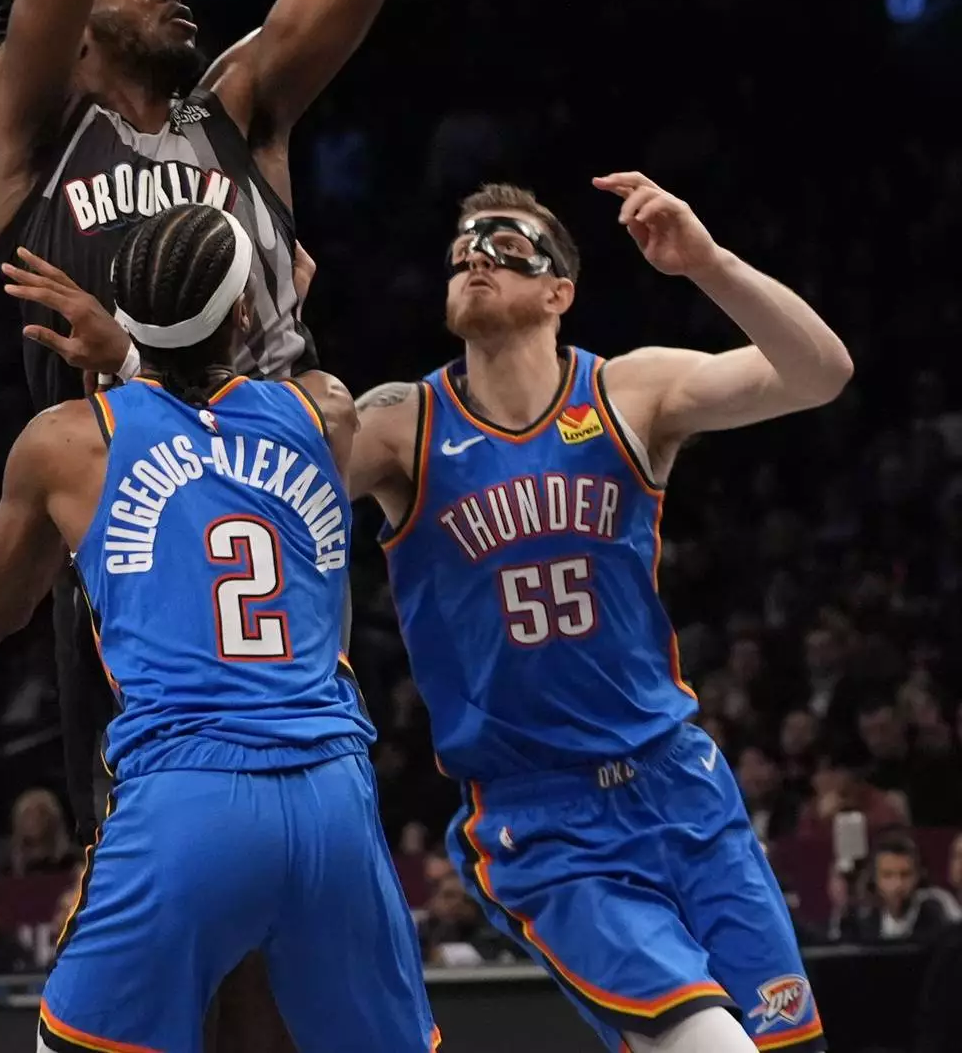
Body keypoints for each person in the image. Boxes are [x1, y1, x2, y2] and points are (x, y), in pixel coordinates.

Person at [0, 0, 414, 1046]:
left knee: (290, 943)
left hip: (282, 522)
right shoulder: (33, 130)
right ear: (66, 29)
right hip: (134, 555)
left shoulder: (244, 111)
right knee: (195, 958)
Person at [348, 174, 854, 1052]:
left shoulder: (629, 392)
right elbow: (255, 483)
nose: (476, 257)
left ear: (559, 292)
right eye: (463, 248)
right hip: (544, 818)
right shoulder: (402, 422)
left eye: (506, 247)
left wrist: (709, 264)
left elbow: (820, 374)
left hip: (680, 781)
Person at [0, 204, 436, 1053]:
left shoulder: (69, 444)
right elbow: (232, 407)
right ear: (244, 314)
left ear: (120, 308)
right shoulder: (325, 410)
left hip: (189, 793)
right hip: (332, 795)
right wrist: (179, 344)